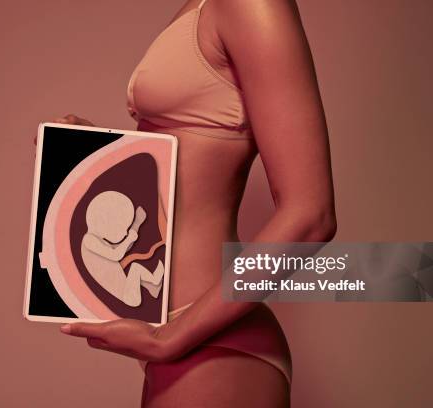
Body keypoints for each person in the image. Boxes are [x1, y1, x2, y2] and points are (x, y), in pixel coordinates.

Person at [49, 0, 336, 406]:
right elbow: (188, 164)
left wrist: (170, 338)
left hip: (209, 339)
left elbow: (311, 216)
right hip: (180, 335)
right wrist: (92, 151)